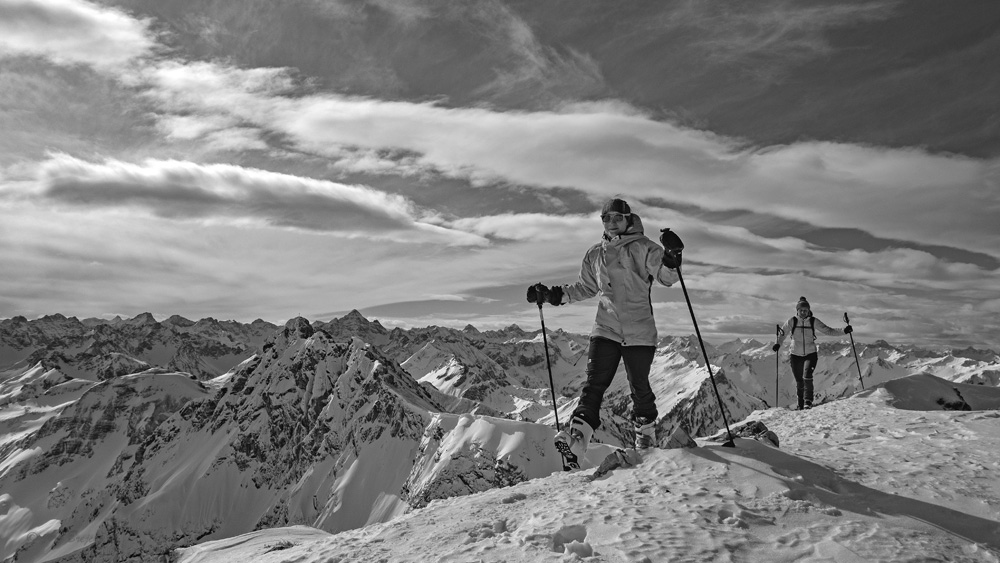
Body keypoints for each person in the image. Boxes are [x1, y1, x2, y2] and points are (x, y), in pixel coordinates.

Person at [527, 198, 682, 460]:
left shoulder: (645, 248)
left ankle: (645, 443)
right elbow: (585, 287)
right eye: (606, 218)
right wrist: (552, 295)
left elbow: (667, 278)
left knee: (639, 387)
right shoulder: (594, 254)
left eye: (617, 217)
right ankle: (577, 440)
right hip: (606, 327)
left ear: (628, 219)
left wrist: (672, 257)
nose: (612, 222)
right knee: (593, 385)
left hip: (639, 331)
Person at [772, 296, 853, 410]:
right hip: (795, 355)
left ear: (809, 310)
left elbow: (828, 330)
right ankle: (800, 405)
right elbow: (782, 333)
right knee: (799, 381)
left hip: (811, 354)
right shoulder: (792, 321)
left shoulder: (813, 321)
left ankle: (808, 402)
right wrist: (777, 343)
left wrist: (844, 330)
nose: (804, 312)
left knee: (807, 376)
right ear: (797, 311)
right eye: (801, 310)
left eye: (806, 310)